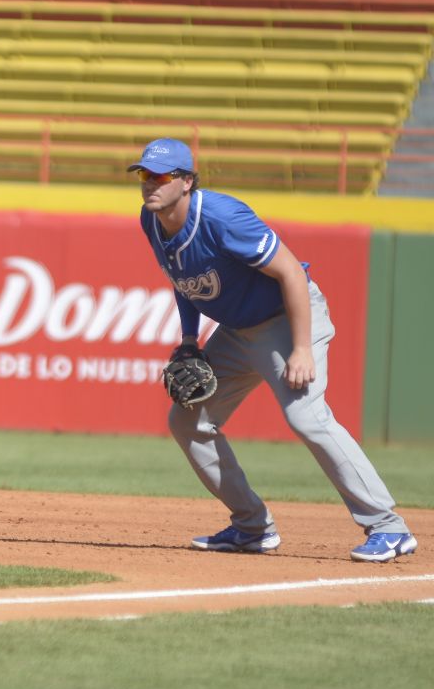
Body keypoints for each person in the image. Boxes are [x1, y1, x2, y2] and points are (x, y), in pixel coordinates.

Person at [131, 137, 416, 562]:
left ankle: (388, 527)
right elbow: (184, 282)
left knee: (306, 416)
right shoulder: (152, 220)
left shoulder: (222, 217)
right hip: (239, 329)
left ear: (187, 181)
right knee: (187, 421)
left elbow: (290, 273)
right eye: (143, 175)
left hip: (290, 318)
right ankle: (252, 527)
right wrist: (190, 342)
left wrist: (302, 349)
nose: (149, 183)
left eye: (161, 175)